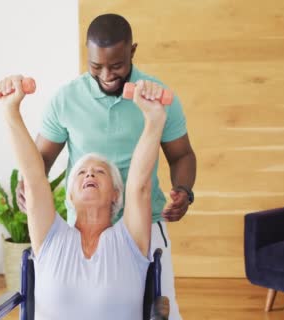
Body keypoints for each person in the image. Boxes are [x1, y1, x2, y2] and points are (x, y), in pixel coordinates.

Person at [17, 13, 196, 320]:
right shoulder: (66, 99)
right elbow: (40, 159)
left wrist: (183, 190)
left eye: (117, 66)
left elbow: (182, 156)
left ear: (133, 51)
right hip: (84, 228)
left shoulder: (158, 98)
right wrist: (28, 188)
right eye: (96, 66)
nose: (107, 75)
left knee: (162, 312)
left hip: (144, 225)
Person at [0, 74, 169, 319]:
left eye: (99, 172)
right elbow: (34, 178)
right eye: (81, 173)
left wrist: (154, 119)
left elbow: (140, 186)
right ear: (70, 195)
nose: (89, 174)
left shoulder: (129, 239)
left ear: (116, 195)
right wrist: (10, 109)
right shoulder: (51, 236)